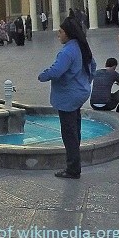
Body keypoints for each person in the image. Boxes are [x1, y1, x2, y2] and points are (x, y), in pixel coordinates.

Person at [38, 17, 96, 179]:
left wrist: (43, 76)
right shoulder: (81, 47)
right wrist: (86, 81)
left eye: (61, 31)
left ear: (68, 34)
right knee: (74, 130)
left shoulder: (67, 51)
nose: (58, 34)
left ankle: (73, 168)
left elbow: (56, 71)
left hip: (68, 97)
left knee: (69, 133)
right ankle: (74, 162)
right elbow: (93, 66)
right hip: (79, 93)